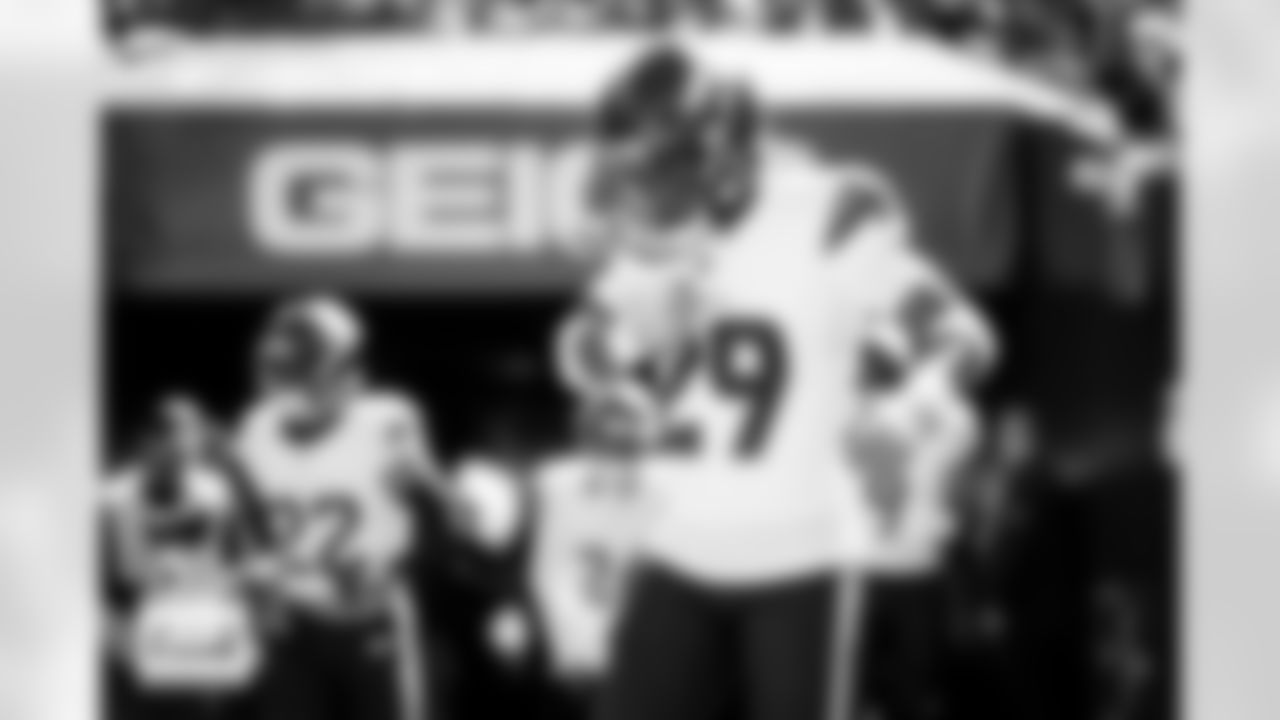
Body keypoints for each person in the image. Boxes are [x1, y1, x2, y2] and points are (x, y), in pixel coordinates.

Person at [556, 44, 997, 720]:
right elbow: (578, 353)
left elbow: (961, 337)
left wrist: (908, 413)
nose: (648, 197)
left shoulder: (827, 213)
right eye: (637, 177)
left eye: (662, 173)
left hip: (802, 562)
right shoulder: (661, 243)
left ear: (721, 151)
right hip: (677, 548)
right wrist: (618, 358)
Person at [234, 294, 446, 720]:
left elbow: (435, 522)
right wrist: (260, 574)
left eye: (305, 370)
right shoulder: (254, 430)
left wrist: (389, 568)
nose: (292, 386)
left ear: (346, 370)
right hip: (295, 617)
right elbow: (251, 521)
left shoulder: (386, 425)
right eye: (284, 370)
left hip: (371, 613)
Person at [102, 396, 272, 720]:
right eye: (168, 437)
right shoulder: (111, 501)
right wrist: (121, 644)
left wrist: (255, 593)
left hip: (202, 644)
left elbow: (244, 561)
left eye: (188, 437)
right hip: (135, 648)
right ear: (145, 442)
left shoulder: (216, 492)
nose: (181, 448)